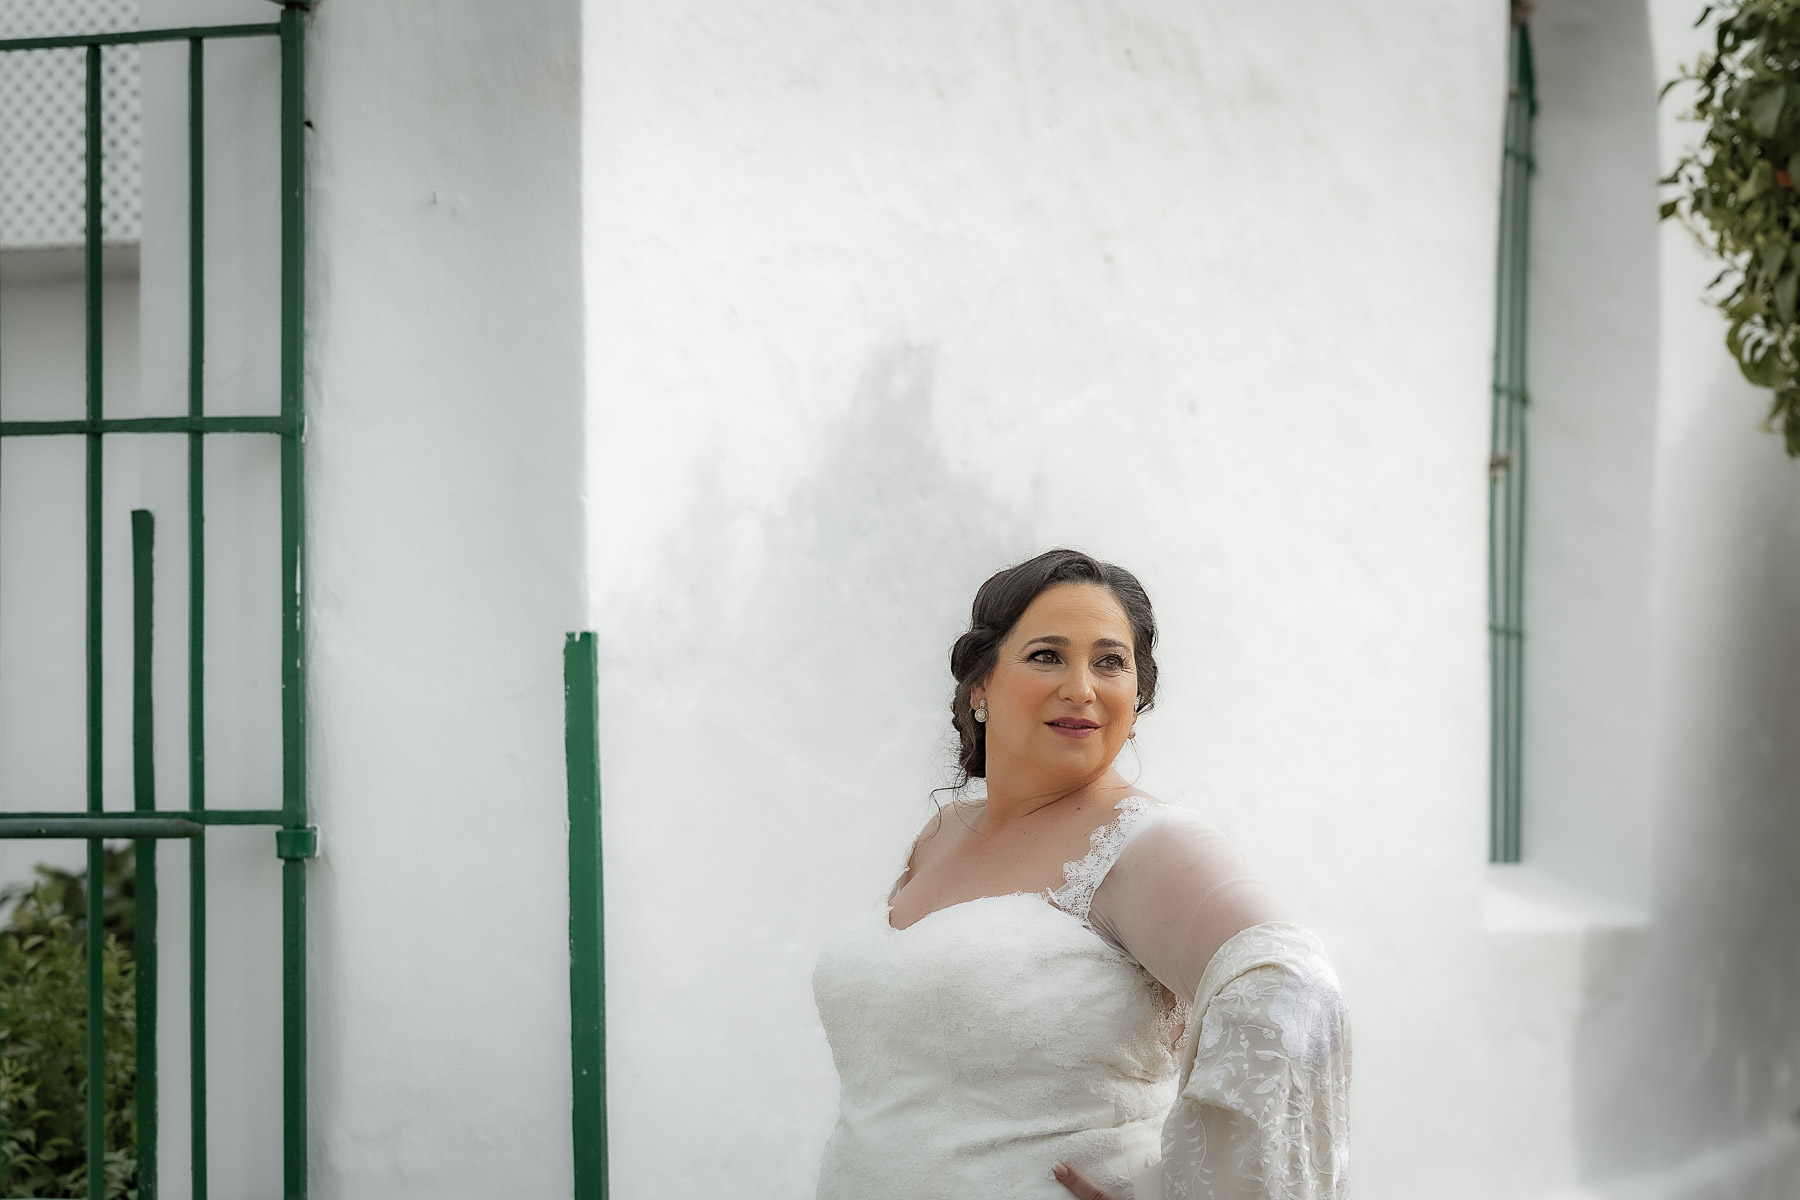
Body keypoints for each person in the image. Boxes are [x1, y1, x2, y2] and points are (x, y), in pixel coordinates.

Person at [811, 549, 1351, 1199]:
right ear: (981, 684)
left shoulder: (1146, 844)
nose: (1081, 687)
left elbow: (1294, 990)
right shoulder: (940, 834)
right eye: (1047, 655)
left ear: (1137, 690)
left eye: (1110, 662)